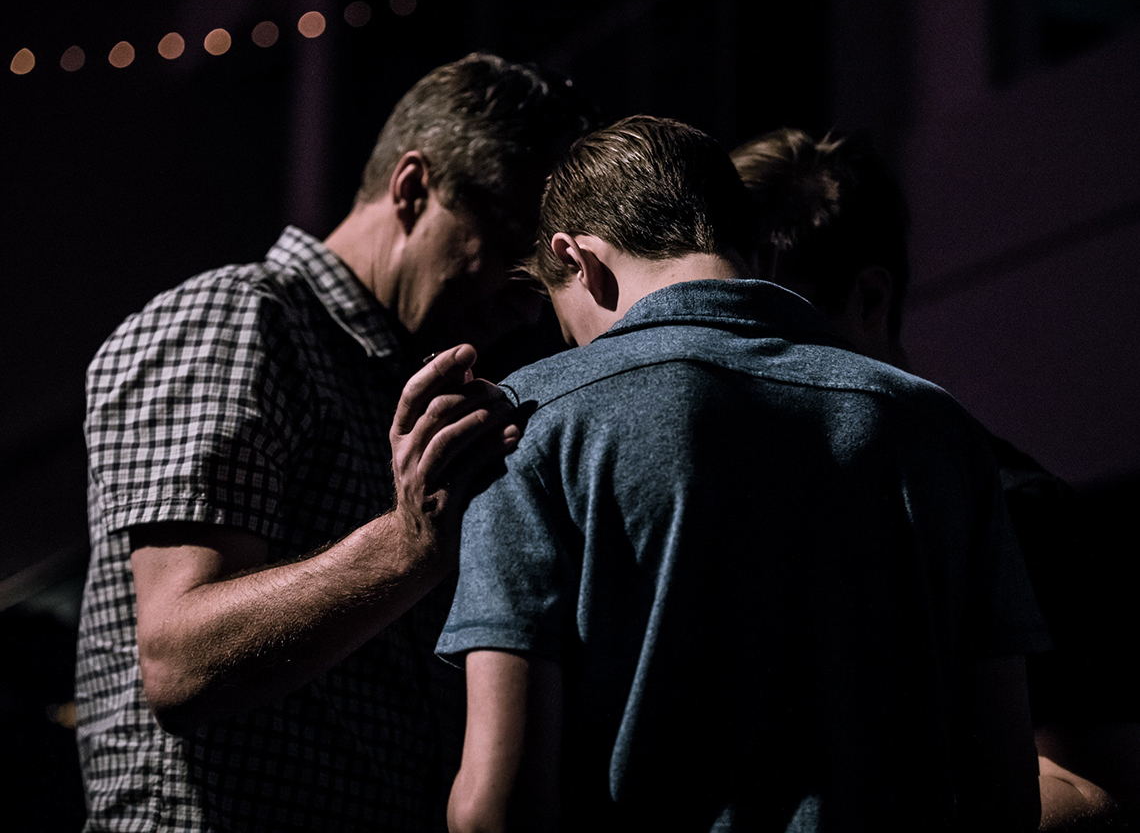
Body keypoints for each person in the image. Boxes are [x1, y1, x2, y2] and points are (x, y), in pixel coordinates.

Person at [436, 115, 1047, 832]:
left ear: (580, 260)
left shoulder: (530, 422)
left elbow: (494, 806)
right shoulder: (938, 429)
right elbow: (1005, 792)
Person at [75, 52, 597, 833]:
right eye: (510, 240)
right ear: (414, 187)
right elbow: (178, 660)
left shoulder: (396, 372)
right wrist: (407, 543)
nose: (529, 302)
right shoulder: (241, 319)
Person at [731, 127, 1139, 830]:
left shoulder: (1017, 508)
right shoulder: (751, 501)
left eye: (774, 323)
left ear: (869, 298)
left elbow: (1101, 793)